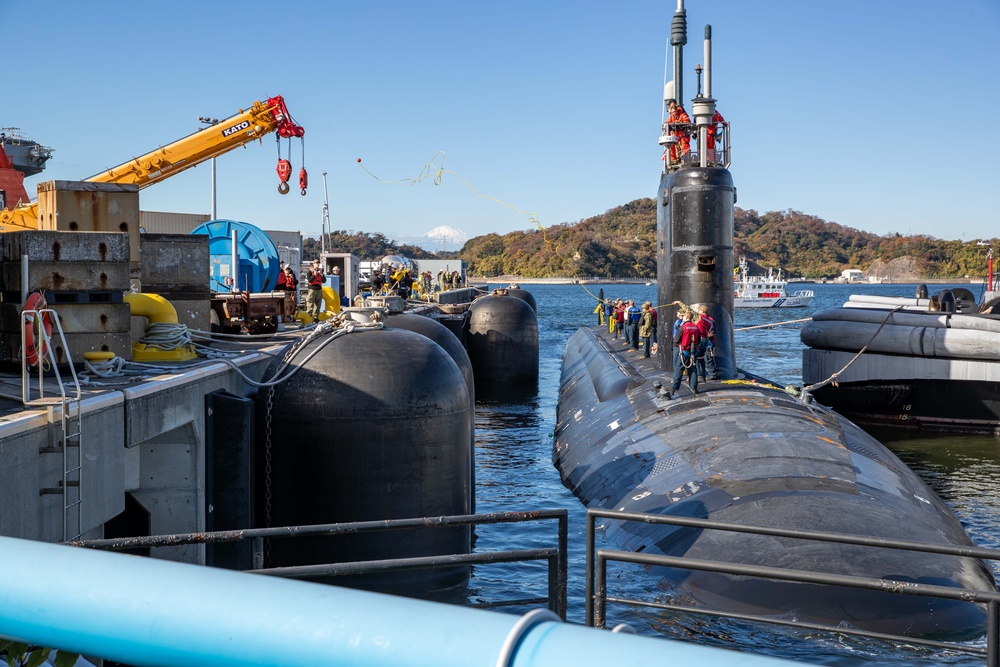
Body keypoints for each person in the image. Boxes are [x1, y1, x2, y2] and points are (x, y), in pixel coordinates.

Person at [669, 310, 701, 397]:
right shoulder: (696, 327)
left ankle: (673, 389)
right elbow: (698, 341)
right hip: (694, 352)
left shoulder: (683, 327)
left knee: (678, 370)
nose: (682, 317)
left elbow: (676, 340)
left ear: (686, 317)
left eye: (683, 316)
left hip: (684, 352)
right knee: (693, 370)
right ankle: (694, 388)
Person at [664, 98, 692, 165]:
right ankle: (673, 160)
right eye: (671, 108)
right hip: (676, 137)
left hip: (683, 136)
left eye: (674, 107)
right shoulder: (672, 116)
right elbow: (667, 123)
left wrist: (679, 124)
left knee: (684, 144)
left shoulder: (682, 115)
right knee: (671, 145)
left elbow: (687, 122)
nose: (673, 110)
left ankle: (684, 159)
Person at [696, 304, 718, 380]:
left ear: (702, 311)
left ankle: (711, 374)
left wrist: (703, 338)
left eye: (699, 310)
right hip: (706, 341)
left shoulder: (706, 319)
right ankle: (701, 374)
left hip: (708, 342)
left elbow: (712, 332)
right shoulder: (711, 319)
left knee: (707, 357)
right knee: (703, 358)